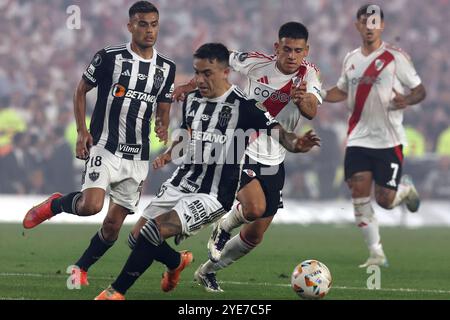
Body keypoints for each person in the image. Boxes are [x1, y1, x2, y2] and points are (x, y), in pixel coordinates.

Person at [94, 42, 320, 300]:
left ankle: (115, 292)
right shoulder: (191, 99)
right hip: (184, 180)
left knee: (153, 231)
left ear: (225, 72)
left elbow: (280, 133)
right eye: (197, 72)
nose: (200, 79)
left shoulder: (244, 106)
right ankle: (176, 262)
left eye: (207, 73)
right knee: (137, 238)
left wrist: (296, 144)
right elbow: (186, 131)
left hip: (213, 193)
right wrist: (170, 153)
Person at [22, 1, 176, 285]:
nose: (149, 30)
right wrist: (82, 132)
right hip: (106, 146)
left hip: (138, 157)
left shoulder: (167, 67)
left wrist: (162, 124)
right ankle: (57, 204)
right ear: (130, 26)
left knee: (112, 227)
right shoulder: (109, 57)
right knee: (91, 206)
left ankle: (80, 268)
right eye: (142, 24)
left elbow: (163, 105)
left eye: (154, 24)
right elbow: (81, 90)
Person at [171, 22, 322, 292]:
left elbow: (311, 110)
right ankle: (217, 225)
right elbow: (214, 65)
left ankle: (207, 271)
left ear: (306, 51)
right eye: (286, 49)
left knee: (255, 234)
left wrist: (302, 101)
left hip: (275, 156)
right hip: (241, 146)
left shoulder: (309, 75)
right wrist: (188, 84)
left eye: (298, 51)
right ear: (277, 47)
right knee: (253, 208)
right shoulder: (254, 62)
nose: (291, 56)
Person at [321, 4, 426, 267]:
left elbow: (419, 90)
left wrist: (408, 99)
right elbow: (342, 91)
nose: (369, 28)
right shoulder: (351, 59)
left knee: (385, 200)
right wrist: (318, 94)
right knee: (358, 193)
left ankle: (406, 191)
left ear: (382, 26)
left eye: (374, 23)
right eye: (364, 22)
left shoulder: (395, 57)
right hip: (358, 138)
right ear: (357, 26)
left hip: (388, 140)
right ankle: (376, 253)